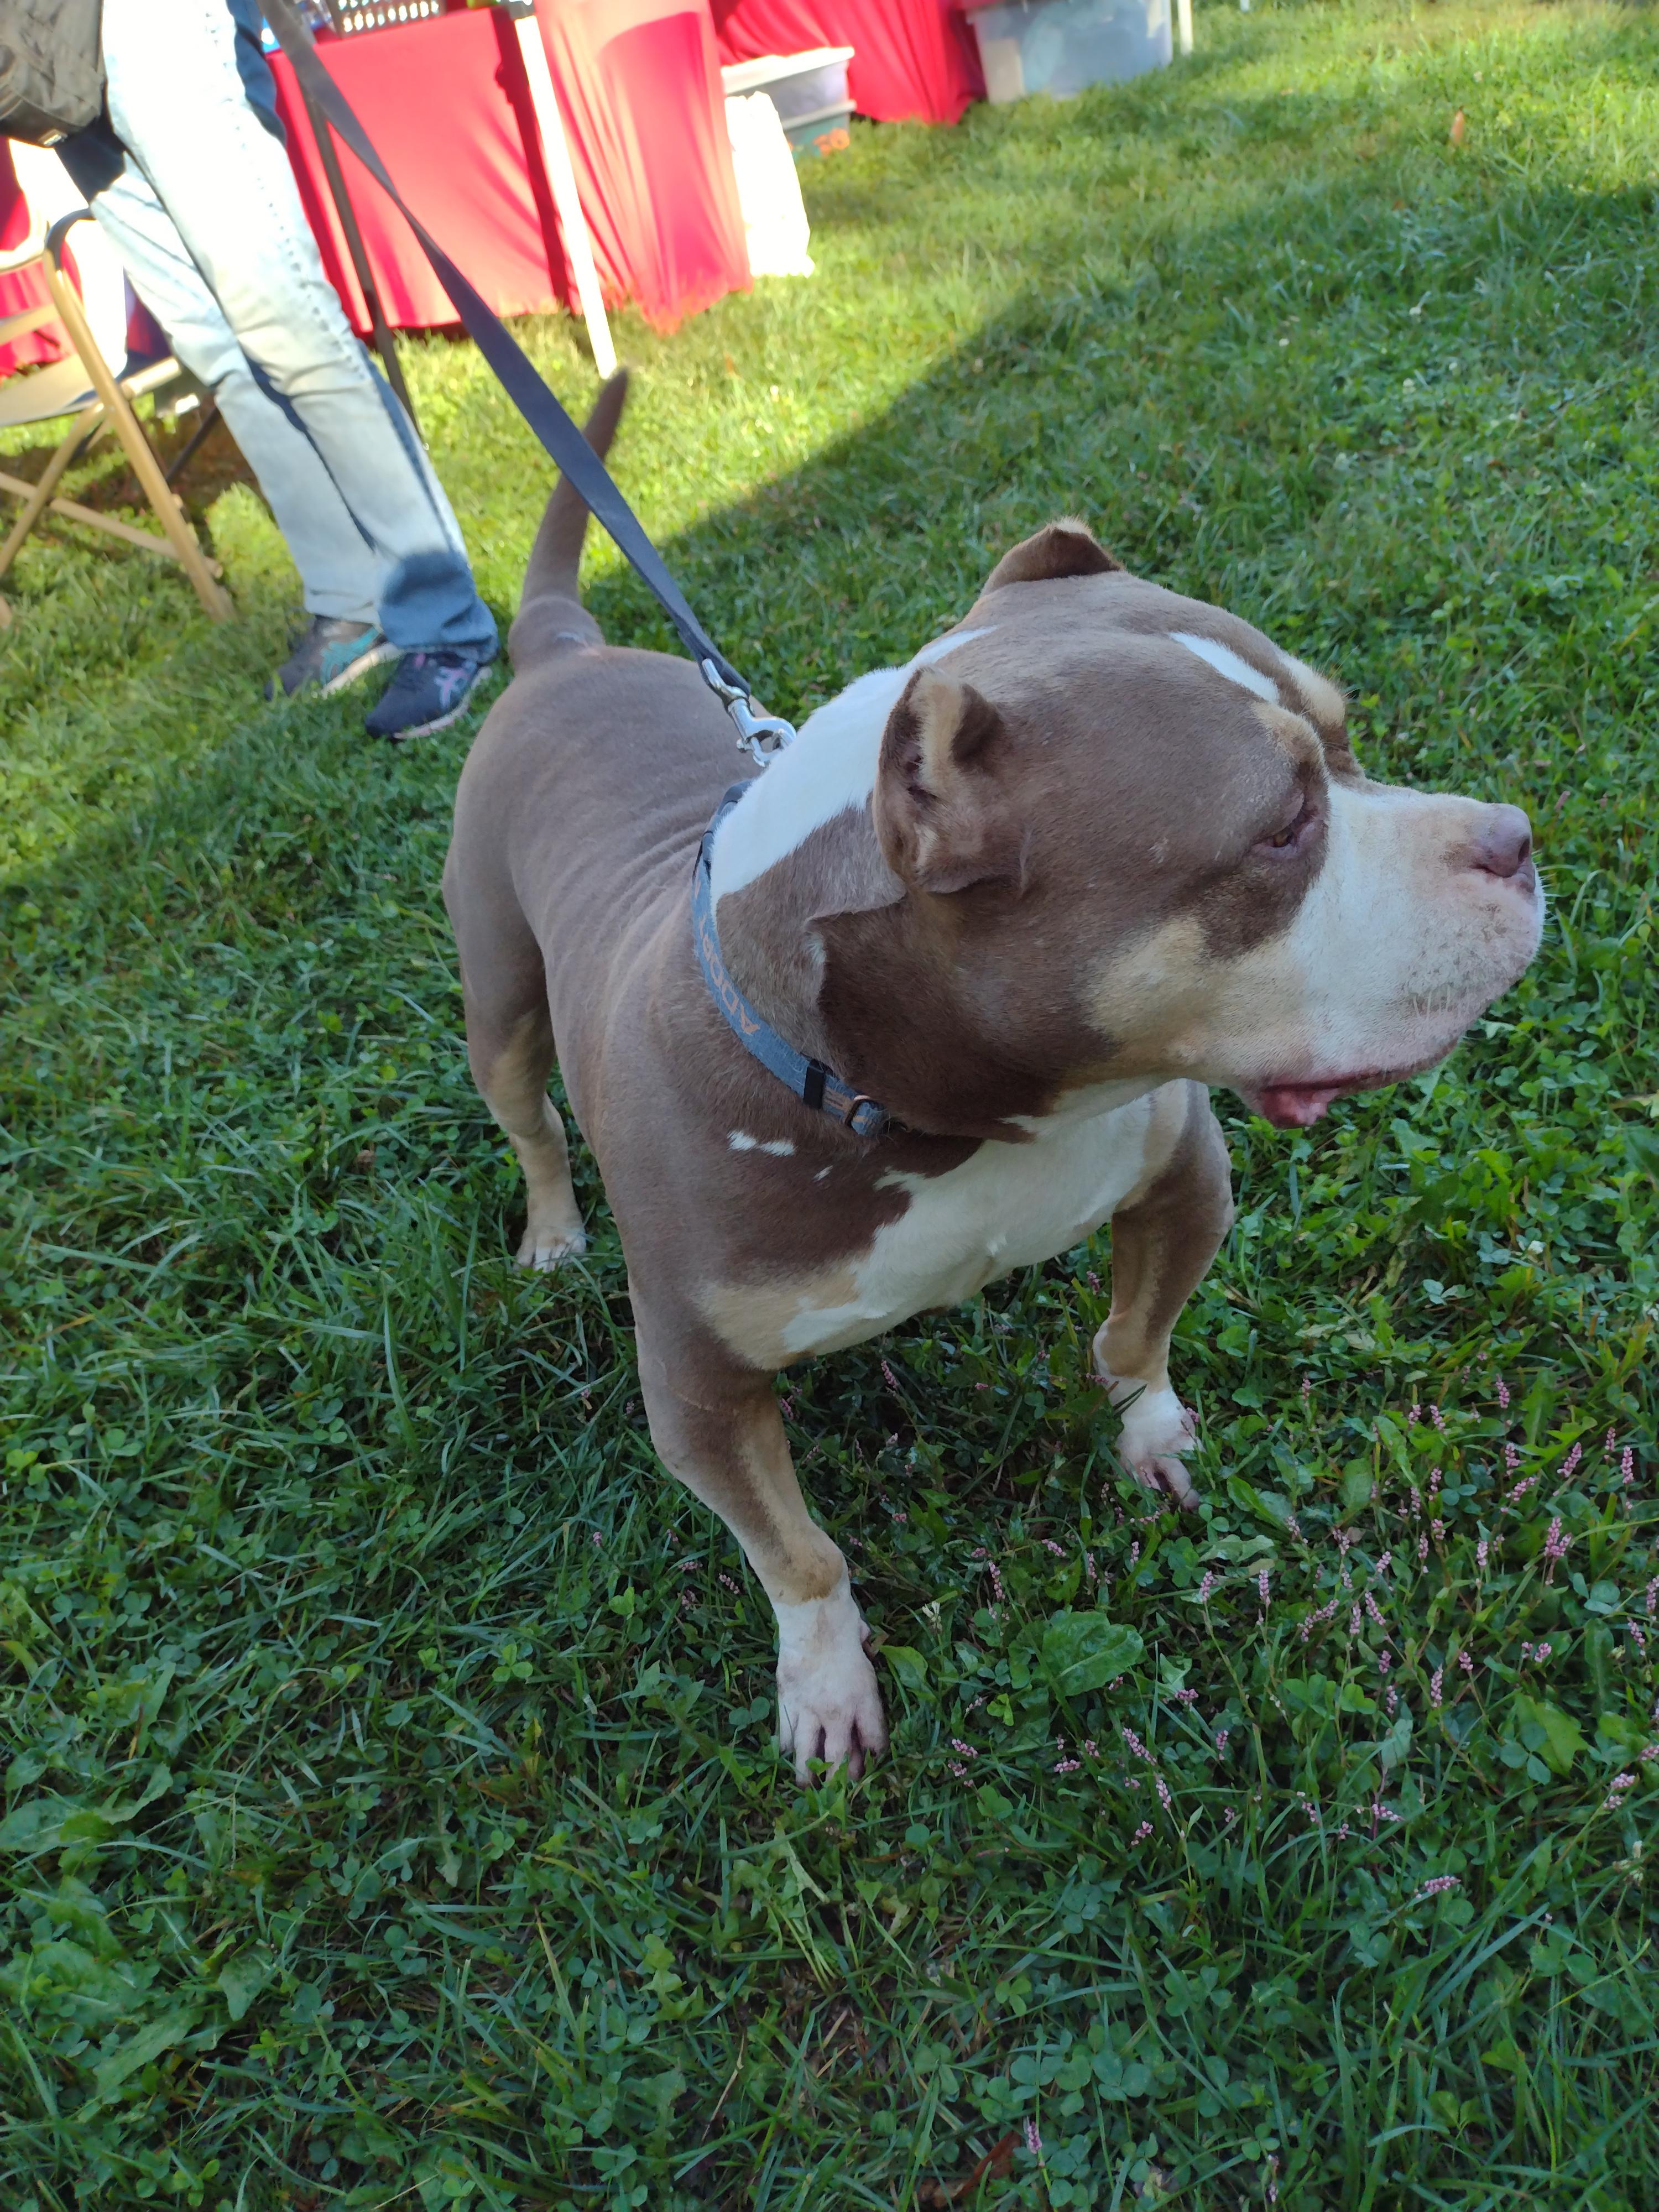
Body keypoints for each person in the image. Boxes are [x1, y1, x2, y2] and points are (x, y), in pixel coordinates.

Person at [55, 0, 498, 739]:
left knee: (284, 317)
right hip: (51, 66)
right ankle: (352, 598)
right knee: (215, 349)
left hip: (147, 22)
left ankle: (442, 619)